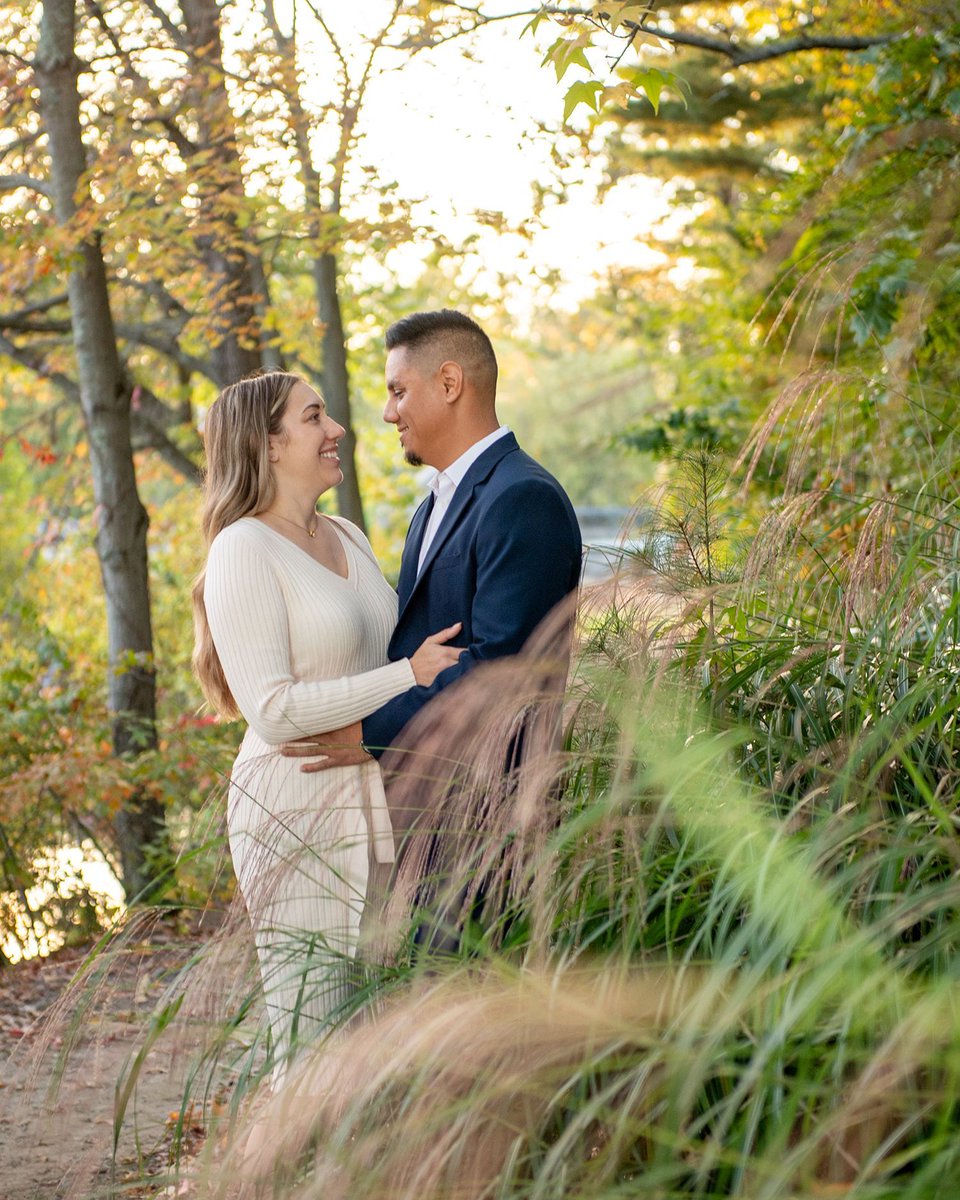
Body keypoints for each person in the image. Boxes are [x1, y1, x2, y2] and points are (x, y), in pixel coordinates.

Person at [191, 371, 461, 1086]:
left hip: (374, 801)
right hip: (295, 806)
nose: (337, 428)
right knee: (313, 1037)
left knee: (373, 1040)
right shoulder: (242, 549)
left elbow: (392, 647)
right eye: (314, 417)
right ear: (269, 444)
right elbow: (273, 711)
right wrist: (410, 677)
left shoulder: (345, 534)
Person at [282, 309, 582, 840]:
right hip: (426, 816)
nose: (387, 414)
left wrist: (364, 735)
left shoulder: (521, 497)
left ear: (449, 383)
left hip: (490, 819)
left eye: (398, 392)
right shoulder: (432, 507)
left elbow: (502, 675)